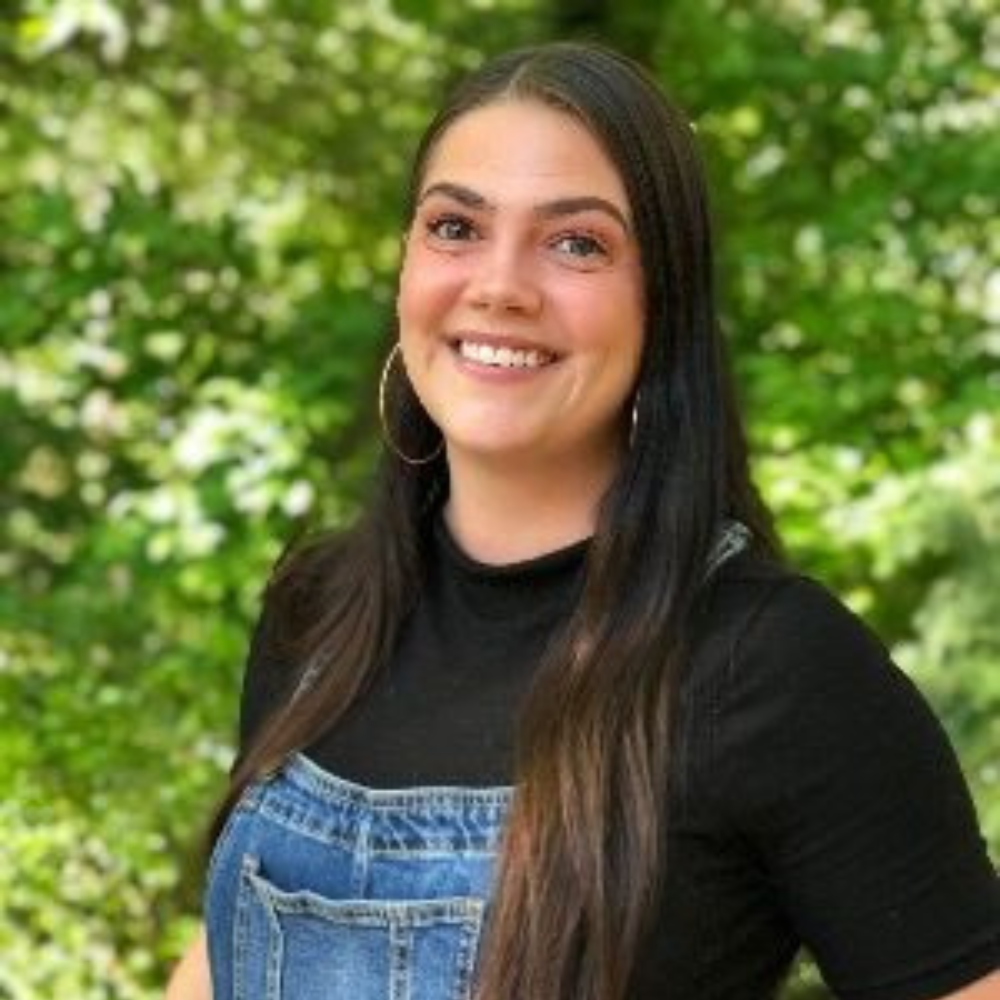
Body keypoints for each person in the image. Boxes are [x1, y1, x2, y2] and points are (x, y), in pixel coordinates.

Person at [166, 40, 999, 1000]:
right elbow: (223, 960)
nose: (501, 285)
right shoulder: (317, 615)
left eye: (577, 244)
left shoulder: (773, 669)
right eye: (454, 227)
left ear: (662, 307)